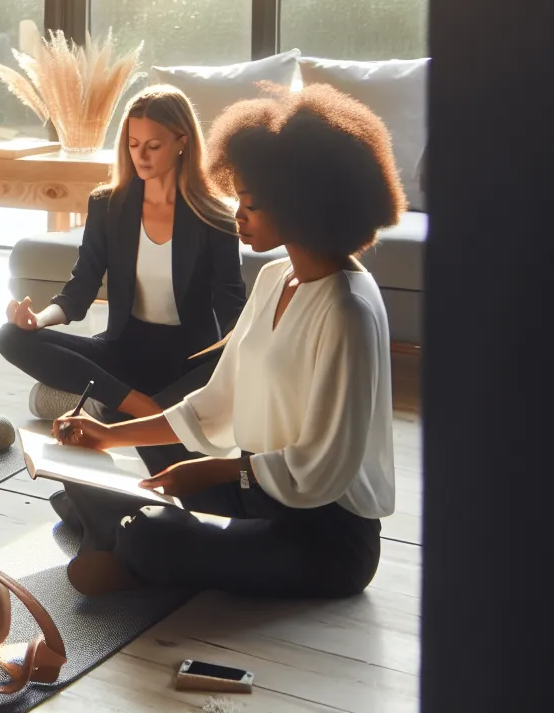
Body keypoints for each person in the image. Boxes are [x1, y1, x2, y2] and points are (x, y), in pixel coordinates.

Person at [51, 85, 400, 600]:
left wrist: (214, 470)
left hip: (325, 535)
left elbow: (323, 465)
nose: (237, 216)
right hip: (255, 489)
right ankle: (123, 535)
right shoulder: (275, 277)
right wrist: (106, 438)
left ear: (304, 208)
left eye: (253, 207)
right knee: (104, 463)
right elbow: (215, 403)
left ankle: (127, 542)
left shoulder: (348, 308)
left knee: (152, 535)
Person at [0, 85, 247, 426]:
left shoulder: (214, 216)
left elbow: (232, 307)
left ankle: (108, 404)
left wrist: (250, 354)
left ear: (182, 141)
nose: (140, 156)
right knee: (9, 337)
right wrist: (37, 320)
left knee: (232, 365)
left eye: (153, 146)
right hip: (122, 351)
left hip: (189, 360)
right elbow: (80, 289)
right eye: (133, 144)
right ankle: (143, 411)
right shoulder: (108, 206)